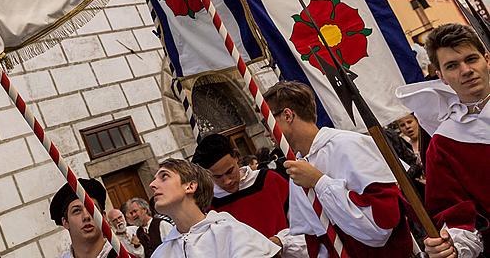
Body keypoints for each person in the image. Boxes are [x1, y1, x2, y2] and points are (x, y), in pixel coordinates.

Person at [263, 81, 416, 257]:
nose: (267, 133)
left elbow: (381, 228)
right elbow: (318, 241)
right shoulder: (298, 167)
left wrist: (319, 182)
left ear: (288, 115)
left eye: (267, 122)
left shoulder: (348, 145)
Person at [396, 23, 489, 258]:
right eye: (452, 66)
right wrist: (452, 246)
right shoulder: (444, 144)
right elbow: (456, 216)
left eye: (471, 59)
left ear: (486, 58)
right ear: (441, 76)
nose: (466, 70)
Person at [192, 133, 307, 257]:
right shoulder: (208, 205)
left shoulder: (269, 180)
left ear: (236, 156)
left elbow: (306, 226)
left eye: (229, 171)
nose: (227, 181)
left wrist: (282, 242)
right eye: (218, 177)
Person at [148, 157, 280, 257]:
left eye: (164, 176)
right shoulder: (161, 253)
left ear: (190, 186)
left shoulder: (231, 233)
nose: (152, 185)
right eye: (154, 179)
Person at [50, 177, 116, 258]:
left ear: (103, 217)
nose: (86, 216)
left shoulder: (122, 255)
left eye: (92, 209)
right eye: (77, 211)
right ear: (65, 222)